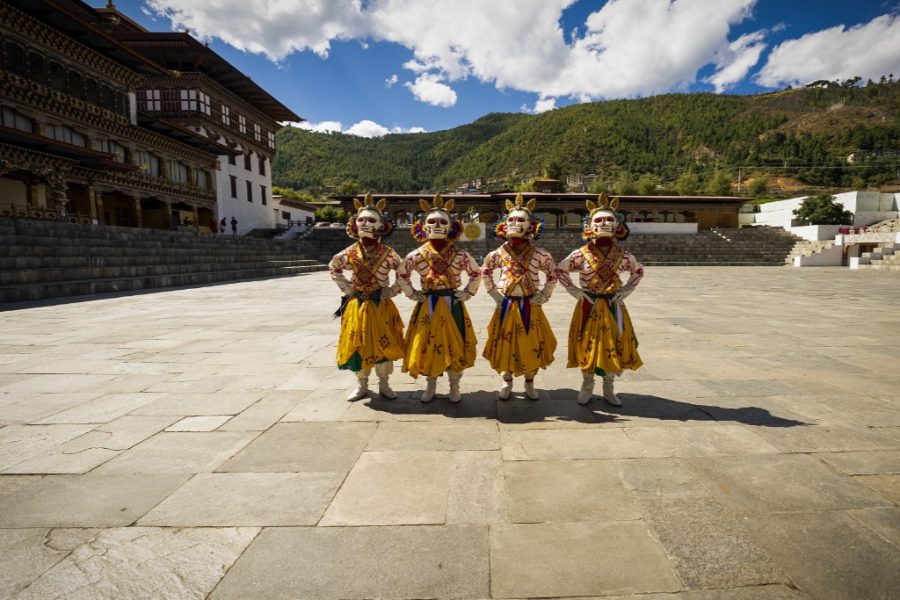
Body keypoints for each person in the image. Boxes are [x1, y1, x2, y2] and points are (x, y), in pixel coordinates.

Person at [556, 193, 644, 406]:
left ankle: (609, 387)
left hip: (613, 305)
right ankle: (587, 385)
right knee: (586, 344)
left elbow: (638, 270)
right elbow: (560, 270)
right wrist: (574, 290)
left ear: (617, 226)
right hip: (589, 304)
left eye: (609, 220)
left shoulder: (623, 255)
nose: (604, 223)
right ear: (590, 226)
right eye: (599, 220)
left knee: (613, 344)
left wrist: (628, 289)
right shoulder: (580, 254)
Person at [397, 193, 481, 403]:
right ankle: (431, 385)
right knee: (426, 344)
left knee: (456, 344)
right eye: (431, 222)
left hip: (453, 303)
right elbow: (402, 274)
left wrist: (468, 292)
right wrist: (412, 293)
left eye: (442, 222)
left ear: (450, 227)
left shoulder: (460, 255)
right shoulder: (416, 255)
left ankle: (455, 386)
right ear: (423, 227)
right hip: (428, 303)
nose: (436, 225)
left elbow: (476, 273)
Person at [328, 194, 406, 401]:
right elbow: (334, 267)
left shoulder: (388, 253)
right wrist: (347, 289)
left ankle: (384, 383)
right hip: (357, 305)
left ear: (381, 226)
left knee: (383, 344)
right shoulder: (349, 252)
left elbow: (403, 272)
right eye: (361, 219)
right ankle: (362, 384)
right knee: (357, 345)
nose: (365, 223)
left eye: (371, 219)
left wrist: (391, 290)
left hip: (380, 304)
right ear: (354, 224)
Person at [481, 194, 557, 400]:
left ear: (530, 226)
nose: (515, 223)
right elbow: (485, 270)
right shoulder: (498, 253)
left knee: (532, 344)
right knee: (505, 344)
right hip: (506, 305)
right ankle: (506, 380)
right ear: (504, 225)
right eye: (511, 220)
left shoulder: (541, 254)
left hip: (530, 305)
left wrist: (544, 295)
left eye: (520, 220)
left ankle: (530, 383)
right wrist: (493, 293)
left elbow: (552, 275)